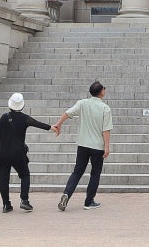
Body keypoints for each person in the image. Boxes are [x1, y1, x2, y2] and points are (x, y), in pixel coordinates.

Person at [0, 92, 59, 213]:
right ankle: (24, 200)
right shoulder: (24, 118)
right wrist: (53, 127)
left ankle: (6, 205)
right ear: (22, 105)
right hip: (17, 153)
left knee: (3, 179)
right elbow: (38, 124)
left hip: (3, 153)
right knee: (25, 175)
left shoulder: (4, 117)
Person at [53, 81, 113, 211]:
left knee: (77, 171)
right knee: (95, 173)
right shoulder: (105, 108)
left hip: (83, 144)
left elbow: (67, 113)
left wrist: (58, 124)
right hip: (97, 146)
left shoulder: (82, 103)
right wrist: (107, 147)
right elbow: (106, 130)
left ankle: (67, 194)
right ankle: (89, 201)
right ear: (102, 92)